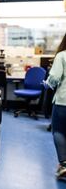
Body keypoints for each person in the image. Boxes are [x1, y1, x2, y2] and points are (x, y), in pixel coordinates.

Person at [45, 33, 66, 180]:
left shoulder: (62, 56)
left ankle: (64, 165)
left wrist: (46, 85)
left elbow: (53, 79)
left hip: (63, 102)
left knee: (59, 131)